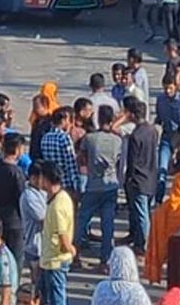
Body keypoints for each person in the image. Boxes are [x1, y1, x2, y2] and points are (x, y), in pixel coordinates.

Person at [75, 106, 121, 266]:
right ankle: (105, 260)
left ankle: (75, 254)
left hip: (93, 184)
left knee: (82, 221)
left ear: (99, 119)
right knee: (107, 224)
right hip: (111, 185)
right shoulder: (117, 140)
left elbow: (81, 158)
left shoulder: (90, 138)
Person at [0, 132, 27, 263]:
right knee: (15, 259)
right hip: (15, 221)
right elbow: (21, 199)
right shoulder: (17, 172)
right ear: (18, 149)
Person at [125, 99, 159, 255]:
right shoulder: (153, 131)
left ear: (132, 115)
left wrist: (129, 179)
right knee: (146, 212)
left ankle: (146, 244)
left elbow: (131, 161)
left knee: (142, 215)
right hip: (152, 176)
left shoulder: (135, 135)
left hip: (139, 178)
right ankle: (140, 241)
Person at [39, 161, 75, 305]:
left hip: (55, 262)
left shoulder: (58, 205)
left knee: (56, 299)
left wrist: (70, 250)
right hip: (50, 259)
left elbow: (63, 236)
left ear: (46, 180)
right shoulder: (61, 197)